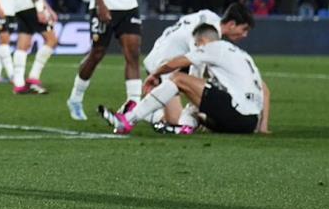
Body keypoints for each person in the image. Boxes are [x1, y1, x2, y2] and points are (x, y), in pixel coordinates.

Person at [99, 23, 270, 135]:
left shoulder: (214, 47)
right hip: (249, 123)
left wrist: (155, 75)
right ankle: (183, 128)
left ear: (203, 40)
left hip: (237, 114)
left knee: (179, 78)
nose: (196, 48)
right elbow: (265, 90)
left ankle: (128, 120)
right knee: (195, 101)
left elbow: (175, 63)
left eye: (196, 44)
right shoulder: (241, 56)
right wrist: (263, 126)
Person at [138, 3, 254, 131]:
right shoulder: (207, 36)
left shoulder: (210, 18)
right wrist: (201, 109)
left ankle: (154, 108)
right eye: (244, 29)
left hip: (166, 57)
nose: (245, 35)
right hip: (163, 65)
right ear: (232, 24)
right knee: (176, 121)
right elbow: (196, 73)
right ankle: (141, 111)